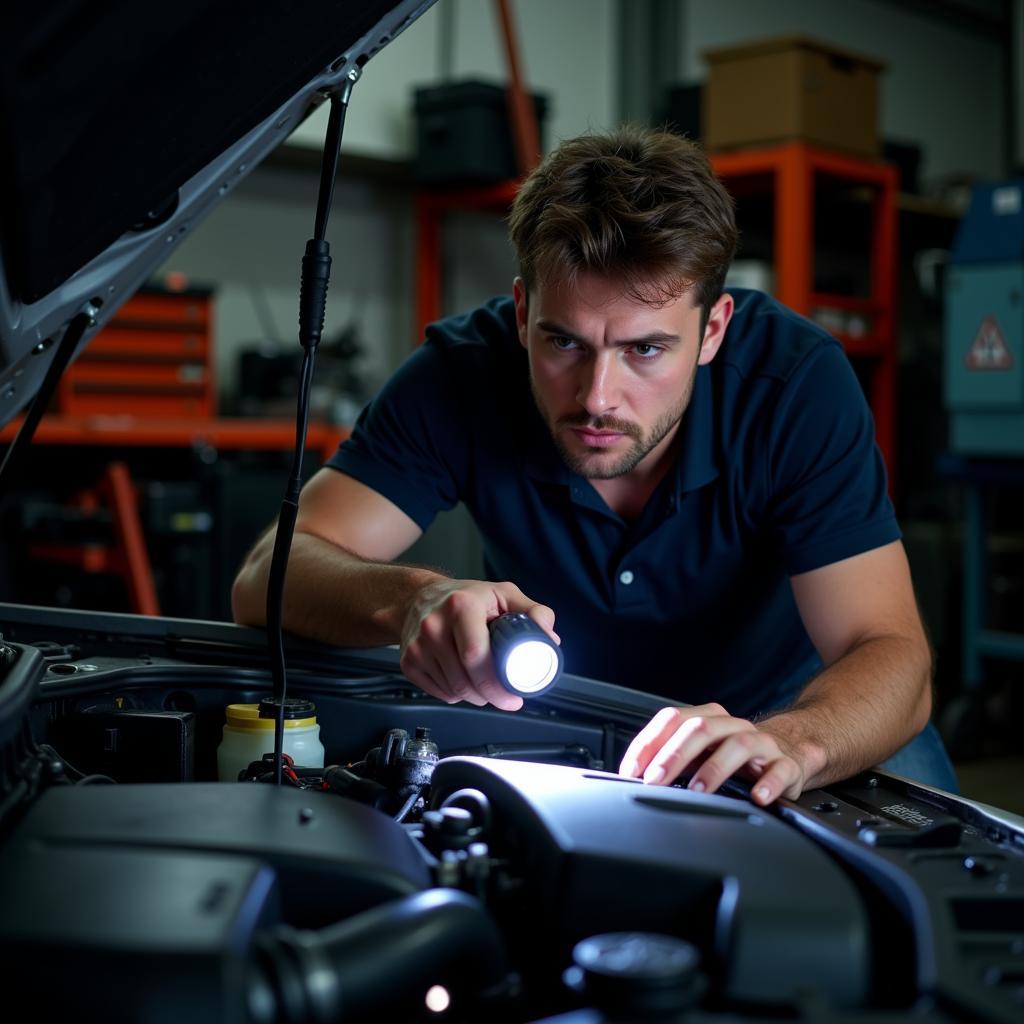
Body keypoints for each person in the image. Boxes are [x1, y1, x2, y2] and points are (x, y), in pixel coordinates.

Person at [232, 125, 957, 804]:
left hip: (791, 718)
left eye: (644, 349)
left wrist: (793, 741)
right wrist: (411, 597)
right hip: (565, 720)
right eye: (564, 344)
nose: (597, 398)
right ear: (521, 314)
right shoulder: (462, 375)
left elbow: (891, 653)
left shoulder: (794, 385)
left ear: (712, 331)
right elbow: (266, 577)